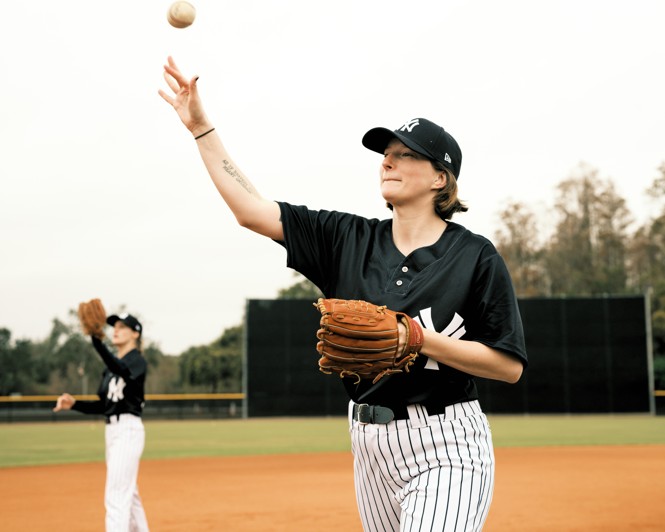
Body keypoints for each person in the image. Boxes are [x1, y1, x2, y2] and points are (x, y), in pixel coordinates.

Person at [159, 56, 528, 531]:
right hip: (367, 439)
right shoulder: (345, 239)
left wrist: (418, 339)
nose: (388, 160)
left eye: (407, 154)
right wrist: (202, 129)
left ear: (441, 178)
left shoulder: (475, 256)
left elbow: (510, 366)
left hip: (445, 440)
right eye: (386, 153)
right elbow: (252, 211)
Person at [54, 312, 150, 532]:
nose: (115, 330)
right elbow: (103, 406)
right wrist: (75, 404)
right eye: (113, 326)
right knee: (128, 493)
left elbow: (122, 369)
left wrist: (96, 341)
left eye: (122, 327)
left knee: (116, 496)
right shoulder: (109, 370)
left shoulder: (137, 361)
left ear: (135, 334)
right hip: (113, 431)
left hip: (128, 429)